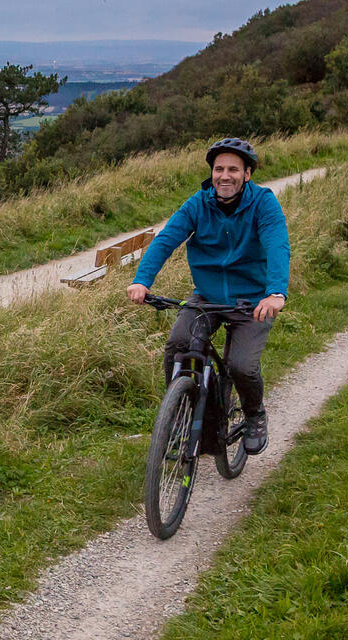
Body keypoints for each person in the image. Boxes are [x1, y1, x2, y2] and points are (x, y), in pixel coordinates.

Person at [127, 138, 291, 455]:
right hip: (207, 296)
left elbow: (277, 245)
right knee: (178, 345)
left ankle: (255, 415)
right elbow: (166, 240)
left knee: (241, 366)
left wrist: (275, 293)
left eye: (233, 169)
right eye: (219, 169)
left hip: (252, 301)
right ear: (211, 173)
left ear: (247, 174)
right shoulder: (197, 204)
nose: (224, 176)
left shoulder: (264, 203)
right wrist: (142, 281)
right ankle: (178, 417)